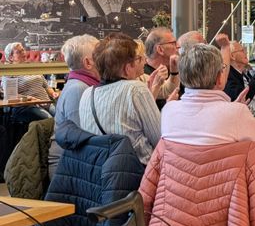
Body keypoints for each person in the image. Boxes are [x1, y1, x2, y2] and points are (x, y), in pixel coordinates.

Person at [161, 43, 255, 204]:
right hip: (227, 208)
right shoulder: (236, 113)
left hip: (176, 203)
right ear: (220, 78)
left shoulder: (168, 111)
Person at [79, 34, 162, 165]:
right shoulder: (136, 89)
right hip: (137, 173)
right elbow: (159, 139)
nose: (144, 61)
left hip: (99, 171)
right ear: (127, 68)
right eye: (139, 58)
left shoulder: (87, 94)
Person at [47, 34, 100, 178]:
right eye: (100, 55)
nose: (105, 58)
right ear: (88, 63)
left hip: (75, 161)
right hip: (66, 169)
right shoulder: (79, 89)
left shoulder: (81, 85)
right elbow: (79, 139)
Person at [3, 42, 58, 121]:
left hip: (46, 103)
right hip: (26, 107)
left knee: (63, 118)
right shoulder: (9, 72)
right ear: (11, 57)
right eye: (19, 52)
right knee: (50, 120)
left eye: (23, 50)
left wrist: (53, 93)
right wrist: (29, 99)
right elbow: (10, 95)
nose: (23, 53)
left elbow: (46, 86)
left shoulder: (31, 67)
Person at [141, 27, 180, 109]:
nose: (178, 46)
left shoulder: (174, 70)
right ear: (160, 49)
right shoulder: (142, 75)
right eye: (173, 43)